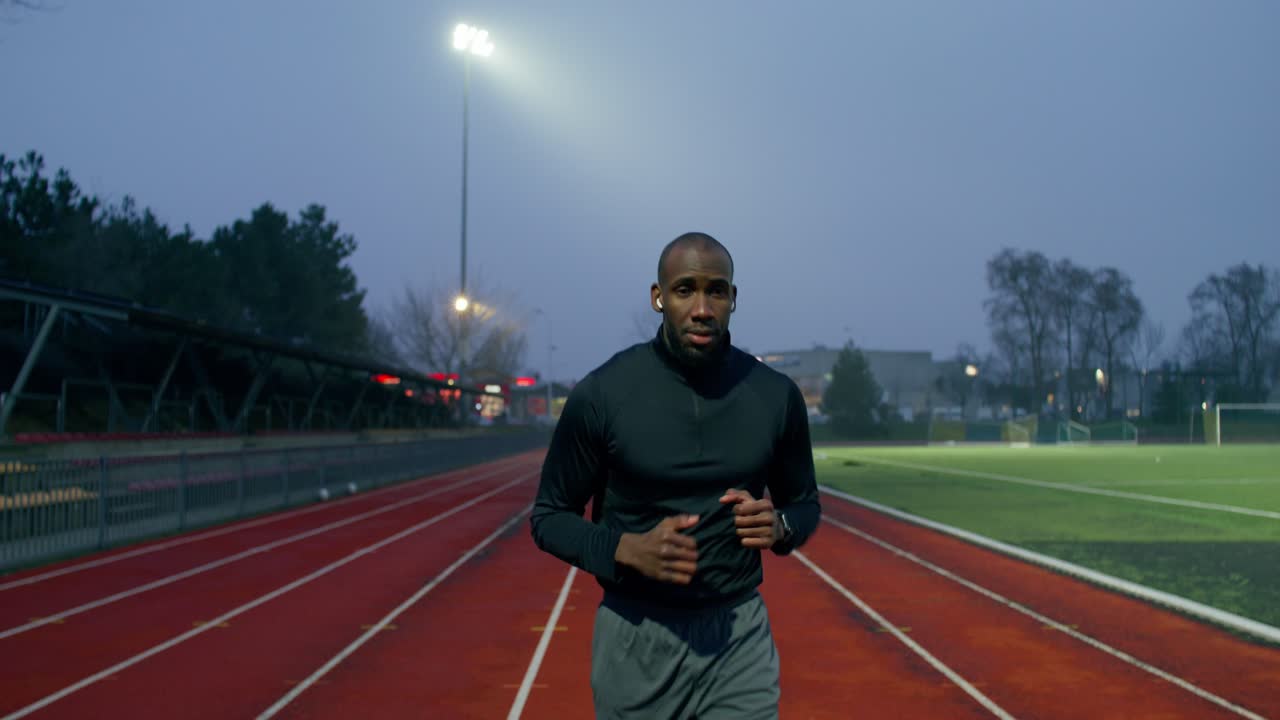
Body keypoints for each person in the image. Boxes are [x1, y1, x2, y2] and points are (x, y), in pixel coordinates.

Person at [530, 231, 821, 719]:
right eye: (685, 289)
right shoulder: (603, 394)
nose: (702, 307)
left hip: (738, 637)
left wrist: (780, 527)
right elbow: (549, 516)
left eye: (717, 290)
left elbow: (805, 505)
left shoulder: (775, 396)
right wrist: (623, 549)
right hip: (636, 637)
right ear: (658, 297)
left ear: (733, 298)